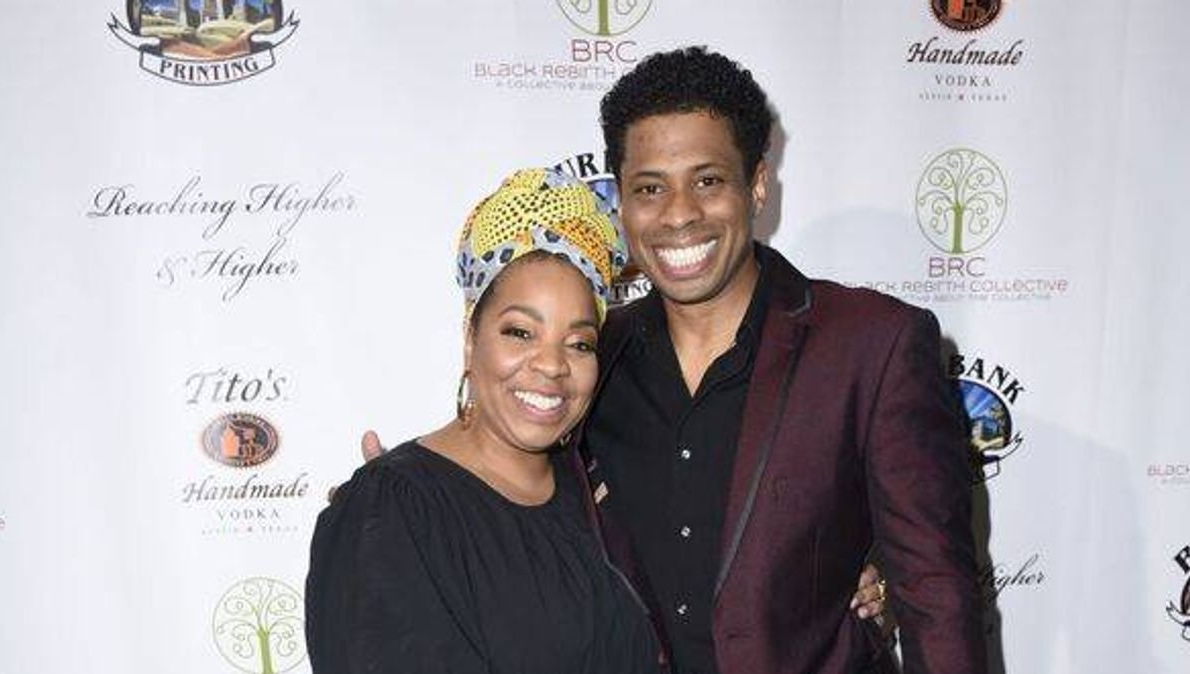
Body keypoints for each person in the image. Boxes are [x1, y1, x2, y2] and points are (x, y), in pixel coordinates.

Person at [583, 47, 987, 673]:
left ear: (757, 185)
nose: (679, 213)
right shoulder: (591, 356)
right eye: (650, 188)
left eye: (708, 181)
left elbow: (937, 595)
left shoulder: (871, 346)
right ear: (621, 203)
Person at [306, 168, 661, 673]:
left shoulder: (594, 494)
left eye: (579, 343)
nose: (552, 364)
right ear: (471, 339)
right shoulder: (394, 507)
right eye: (520, 332)